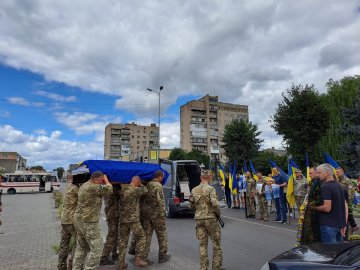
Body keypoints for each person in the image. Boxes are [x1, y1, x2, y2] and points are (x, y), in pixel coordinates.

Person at [73, 171, 113, 270]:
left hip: (79, 221)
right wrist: (106, 179)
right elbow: (109, 190)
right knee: (98, 249)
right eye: (100, 180)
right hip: (89, 223)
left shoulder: (84, 185)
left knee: (81, 248)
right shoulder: (93, 187)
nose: (102, 182)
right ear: (95, 179)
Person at [189, 170, 223, 270]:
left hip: (199, 219)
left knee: (202, 245)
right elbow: (215, 204)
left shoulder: (194, 190)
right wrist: (218, 214)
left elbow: (190, 205)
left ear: (201, 178)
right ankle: (216, 267)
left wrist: (198, 210)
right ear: (209, 178)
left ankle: (203, 268)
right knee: (216, 245)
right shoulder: (211, 189)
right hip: (210, 219)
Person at [140, 170, 171, 263]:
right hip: (156, 215)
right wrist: (162, 217)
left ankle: (144, 257)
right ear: (160, 177)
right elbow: (161, 202)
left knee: (147, 235)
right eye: (162, 177)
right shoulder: (158, 186)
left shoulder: (148, 184)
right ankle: (162, 255)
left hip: (147, 214)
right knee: (162, 235)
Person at [312, 164, 348, 243]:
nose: (318, 175)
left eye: (319, 173)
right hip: (339, 225)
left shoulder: (326, 187)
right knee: (339, 253)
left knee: (329, 253)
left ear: (327, 173)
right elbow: (345, 207)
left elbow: (327, 208)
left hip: (329, 226)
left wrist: (313, 207)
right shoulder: (340, 186)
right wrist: (344, 224)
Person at [118, 176, 148, 269]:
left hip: (123, 219)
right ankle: (138, 260)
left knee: (123, 240)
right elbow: (145, 190)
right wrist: (141, 184)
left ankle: (121, 263)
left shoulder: (122, 189)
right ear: (137, 182)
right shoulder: (135, 191)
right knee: (142, 236)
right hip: (133, 220)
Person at [57, 173, 80, 270]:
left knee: (64, 244)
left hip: (64, 220)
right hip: (71, 221)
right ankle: (72, 264)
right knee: (78, 242)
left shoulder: (66, 187)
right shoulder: (75, 188)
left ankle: (61, 266)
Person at [298, 167, 322, 245]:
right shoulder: (312, 183)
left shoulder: (318, 183)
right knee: (305, 233)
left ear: (317, 173)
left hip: (313, 213)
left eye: (311, 173)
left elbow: (319, 200)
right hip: (308, 211)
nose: (309, 175)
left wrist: (311, 207)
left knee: (311, 235)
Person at [100, 185, 121, 265]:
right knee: (112, 235)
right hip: (112, 215)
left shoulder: (105, 188)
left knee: (115, 235)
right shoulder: (110, 190)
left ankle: (114, 253)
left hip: (113, 214)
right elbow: (119, 193)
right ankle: (104, 257)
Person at [336, 167, 359, 234]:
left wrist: (347, 201)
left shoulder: (347, 180)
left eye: (338, 172)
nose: (337, 173)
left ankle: (353, 227)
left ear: (342, 172)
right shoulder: (338, 181)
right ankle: (352, 226)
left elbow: (351, 192)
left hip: (346, 201)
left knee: (348, 213)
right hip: (340, 201)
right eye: (336, 172)